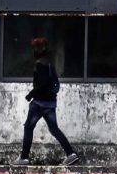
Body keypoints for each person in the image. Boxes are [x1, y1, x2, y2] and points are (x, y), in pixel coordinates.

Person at [18, 37, 80, 166]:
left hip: (39, 103)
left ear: (38, 50)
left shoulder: (40, 64)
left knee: (28, 127)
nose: (33, 51)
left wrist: (30, 95)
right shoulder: (49, 64)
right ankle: (70, 154)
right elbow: (52, 84)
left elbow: (43, 83)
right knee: (54, 129)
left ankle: (24, 158)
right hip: (50, 104)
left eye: (35, 48)